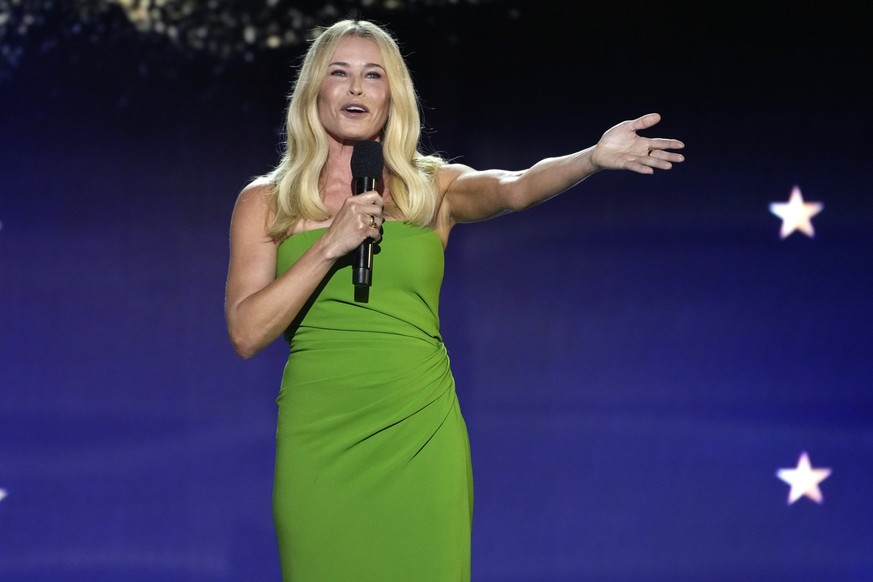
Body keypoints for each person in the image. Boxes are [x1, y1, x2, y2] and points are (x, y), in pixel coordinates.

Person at [224, 18, 684, 582]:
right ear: (314, 89)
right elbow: (247, 332)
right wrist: (328, 247)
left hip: (418, 428)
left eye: (374, 76)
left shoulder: (431, 188)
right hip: (321, 433)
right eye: (339, 74)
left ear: (393, 95)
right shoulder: (266, 200)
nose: (356, 89)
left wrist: (590, 157)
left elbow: (514, 187)